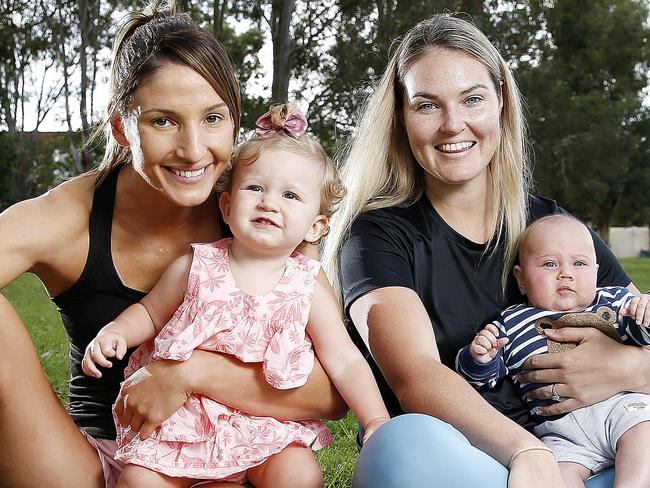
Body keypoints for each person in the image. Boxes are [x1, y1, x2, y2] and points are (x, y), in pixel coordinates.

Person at [0, 4, 345, 488]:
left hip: (229, 459)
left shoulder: (259, 218)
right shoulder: (69, 216)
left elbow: (330, 392)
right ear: (122, 126)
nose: (193, 150)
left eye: (213, 118)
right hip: (95, 459)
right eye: (163, 121)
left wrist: (189, 373)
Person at [322, 13, 650, 488]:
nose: (453, 125)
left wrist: (631, 367)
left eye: (472, 99)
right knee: (400, 446)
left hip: (600, 461)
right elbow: (413, 373)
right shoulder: (376, 237)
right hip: (471, 468)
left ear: (501, 102)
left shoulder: (553, 226)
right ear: (400, 116)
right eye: (427, 106)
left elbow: (638, 316)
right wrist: (527, 452)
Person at [82, 105, 390, 488]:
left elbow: (343, 359)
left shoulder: (306, 285)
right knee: (140, 481)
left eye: (291, 195)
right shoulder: (196, 266)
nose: (269, 202)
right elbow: (149, 313)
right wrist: (116, 332)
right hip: (184, 422)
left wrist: (375, 420)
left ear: (316, 226)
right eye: (255, 187)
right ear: (227, 207)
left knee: (299, 474)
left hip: (268, 428)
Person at [456, 214, 650, 488]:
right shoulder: (510, 322)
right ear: (521, 279)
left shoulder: (614, 301)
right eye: (549, 264)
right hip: (561, 433)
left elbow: (643, 333)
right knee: (549, 475)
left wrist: (646, 311)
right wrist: (479, 357)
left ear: (596, 271)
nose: (566, 273)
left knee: (645, 436)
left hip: (623, 409)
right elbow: (479, 380)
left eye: (579, 263)